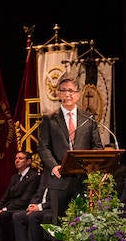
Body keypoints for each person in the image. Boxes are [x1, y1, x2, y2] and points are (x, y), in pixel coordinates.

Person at [36, 76, 103, 219]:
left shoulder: (88, 118)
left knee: (84, 222)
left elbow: (97, 147)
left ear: (78, 94)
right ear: (58, 94)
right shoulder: (49, 119)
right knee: (60, 222)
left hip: (83, 179)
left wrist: (91, 167)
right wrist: (54, 167)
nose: (68, 94)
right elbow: (43, 147)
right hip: (59, 178)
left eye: (71, 91)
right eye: (64, 91)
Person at [0, 150, 40, 241]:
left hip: (23, 208)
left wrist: (4, 210)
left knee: (3, 215)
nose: (17, 161)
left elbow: (25, 200)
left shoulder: (34, 176)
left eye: (20, 158)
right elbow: (5, 196)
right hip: (11, 207)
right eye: (16, 158)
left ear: (28, 161)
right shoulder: (15, 177)